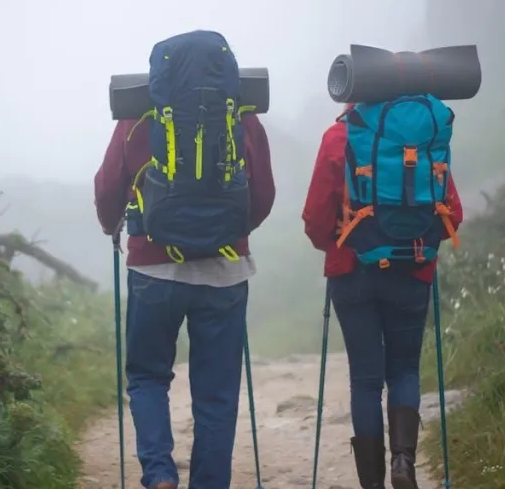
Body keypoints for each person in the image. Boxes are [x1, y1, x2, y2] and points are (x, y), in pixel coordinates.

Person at [93, 80, 275, 488]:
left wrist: (112, 226)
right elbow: (263, 193)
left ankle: (159, 475)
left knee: (148, 376)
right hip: (225, 272)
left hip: (152, 270)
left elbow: (108, 187)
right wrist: (232, 231)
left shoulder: (138, 112)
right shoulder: (241, 114)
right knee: (216, 392)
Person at [301, 104, 464, 489]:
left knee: (366, 378)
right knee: (405, 370)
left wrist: (337, 244)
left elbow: (315, 218)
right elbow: (451, 213)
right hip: (413, 268)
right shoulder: (425, 137)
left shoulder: (339, 136)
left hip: (352, 270)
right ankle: (403, 463)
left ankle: (371, 484)